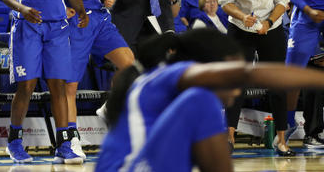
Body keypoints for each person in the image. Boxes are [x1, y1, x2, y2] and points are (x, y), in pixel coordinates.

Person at [96, 28, 324, 172]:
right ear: (209, 68)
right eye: (230, 79)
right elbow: (247, 73)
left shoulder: (161, 86)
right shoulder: (176, 76)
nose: (237, 91)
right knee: (203, 100)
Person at [2, 0, 88, 164]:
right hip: (28, 27)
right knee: (26, 87)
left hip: (58, 29)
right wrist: (22, 9)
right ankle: (14, 142)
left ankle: (63, 144)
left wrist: (81, 10)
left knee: (58, 86)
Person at [64, 0, 134, 160]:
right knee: (69, 85)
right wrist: (63, 7)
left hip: (101, 20)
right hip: (76, 21)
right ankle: (71, 139)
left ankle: (109, 107)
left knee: (129, 64)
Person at [219, 0, 291, 155]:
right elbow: (225, 2)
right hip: (240, 27)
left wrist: (268, 23)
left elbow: (282, 1)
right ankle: (229, 138)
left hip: (271, 26)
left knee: (277, 84)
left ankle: (281, 140)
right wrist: (243, 17)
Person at [284, 0, 324, 148]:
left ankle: (315, 131)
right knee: (293, 73)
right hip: (307, 14)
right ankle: (287, 126)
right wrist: (307, 10)